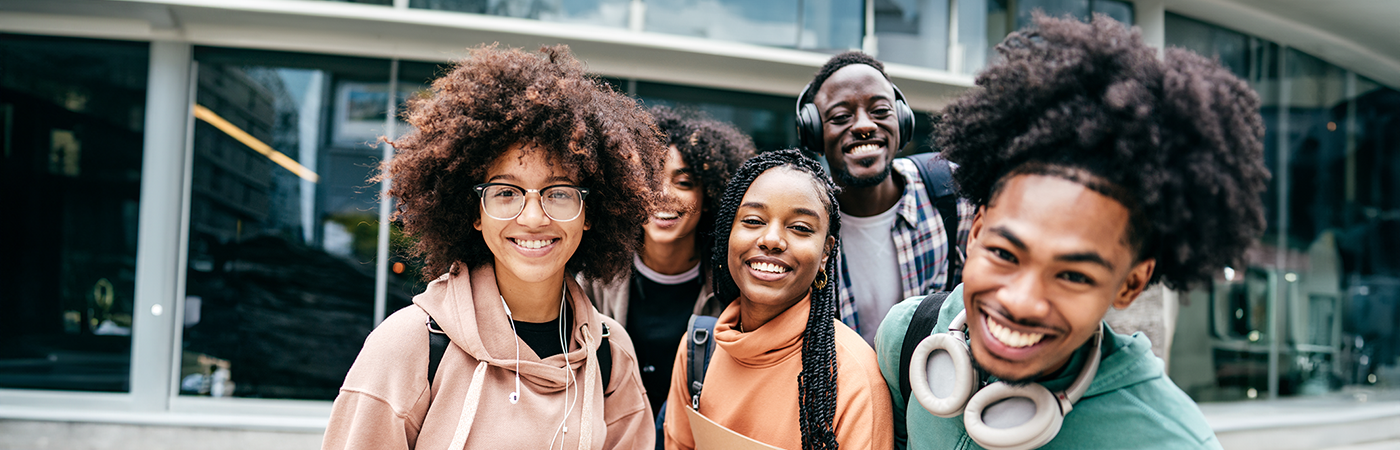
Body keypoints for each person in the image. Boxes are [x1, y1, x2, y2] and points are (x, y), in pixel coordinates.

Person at [875, 14, 1269, 450]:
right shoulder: (907, 338)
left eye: (1074, 276)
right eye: (1005, 253)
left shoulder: (1171, 441)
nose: (1020, 301)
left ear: (1131, 284)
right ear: (977, 231)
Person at [322, 45, 663, 450]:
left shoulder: (610, 351)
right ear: (475, 212)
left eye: (559, 192)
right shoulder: (411, 344)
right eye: (505, 192)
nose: (534, 217)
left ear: (590, 213)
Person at [663, 149, 893, 450]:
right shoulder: (698, 349)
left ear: (826, 252)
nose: (771, 240)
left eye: (799, 228)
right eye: (753, 220)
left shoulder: (854, 378)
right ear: (727, 234)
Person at [579, 105, 755, 418]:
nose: (663, 194)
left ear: (709, 194)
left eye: (683, 183)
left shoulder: (731, 283)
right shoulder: (594, 275)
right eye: (650, 179)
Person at [797, 52, 975, 345]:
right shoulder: (804, 222)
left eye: (880, 111)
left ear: (902, 119)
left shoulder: (954, 192)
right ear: (814, 133)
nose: (865, 126)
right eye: (841, 117)